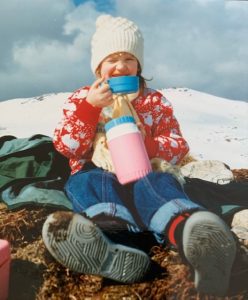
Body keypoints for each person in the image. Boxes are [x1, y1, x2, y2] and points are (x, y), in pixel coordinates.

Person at [42, 14, 237, 296]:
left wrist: (148, 145)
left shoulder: (154, 101)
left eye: (129, 59)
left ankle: (191, 233)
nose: (121, 66)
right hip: (98, 171)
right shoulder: (83, 99)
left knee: (158, 183)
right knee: (87, 181)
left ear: (139, 65)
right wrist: (88, 109)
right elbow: (66, 146)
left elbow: (177, 144)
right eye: (112, 59)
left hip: (147, 170)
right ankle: (113, 243)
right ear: (98, 67)